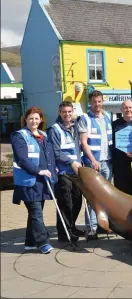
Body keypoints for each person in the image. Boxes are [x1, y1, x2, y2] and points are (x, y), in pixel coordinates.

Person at [11, 106, 57, 254]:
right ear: (25, 120)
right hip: (28, 182)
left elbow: (49, 156)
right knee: (36, 213)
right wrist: (38, 170)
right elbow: (22, 160)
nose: (34, 121)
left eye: (37, 118)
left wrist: (52, 168)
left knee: (35, 213)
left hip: (41, 182)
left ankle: (30, 242)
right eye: (31, 118)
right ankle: (43, 242)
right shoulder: (19, 136)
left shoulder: (44, 135)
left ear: (41, 120)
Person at [77, 90, 113, 239]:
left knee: (105, 196)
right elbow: (83, 142)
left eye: (99, 101)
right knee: (92, 197)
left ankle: (103, 225)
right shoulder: (85, 118)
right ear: (90, 102)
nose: (97, 104)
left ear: (102, 101)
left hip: (108, 162)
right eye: (94, 102)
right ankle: (91, 228)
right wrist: (92, 160)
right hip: (94, 163)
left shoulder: (108, 117)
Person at [47, 101, 84, 243]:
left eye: (69, 111)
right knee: (65, 204)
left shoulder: (75, 127)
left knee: (77, 201)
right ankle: (64, 233)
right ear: (59, 112)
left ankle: (72, 226)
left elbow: (77, 149)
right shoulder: (54, 129)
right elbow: (55, 152)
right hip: (63, 172)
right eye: (64, 112)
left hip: (76, 171)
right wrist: (71, 162)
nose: (67, 114)